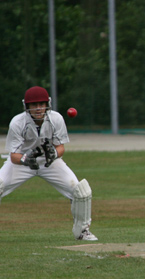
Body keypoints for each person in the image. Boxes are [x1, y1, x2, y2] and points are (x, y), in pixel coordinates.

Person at [0, 86, 98, 241]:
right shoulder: (17, 122)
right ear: (27, 106)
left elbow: (60, 147)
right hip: (22, 163)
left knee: (80, 191)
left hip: (49, 163)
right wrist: (27, 159)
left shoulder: (56, 119)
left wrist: (53, 154)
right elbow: (14, 157)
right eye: (34, 105)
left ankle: (82, 231)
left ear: (48, 104)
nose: (38, 108)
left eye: (41, 104)